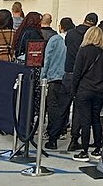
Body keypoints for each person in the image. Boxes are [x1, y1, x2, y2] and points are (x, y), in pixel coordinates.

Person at [70, 26, 103, 162]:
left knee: (85, 120)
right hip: (99, 89)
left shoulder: (83, 51)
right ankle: (98, 148)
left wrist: (73, 90)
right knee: (96, 119)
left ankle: (84, 150)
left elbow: (76, 73)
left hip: (84, 89)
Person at [42, 22, 69, 150]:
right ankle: (62, 130)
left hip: (54, 77)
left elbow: (47, 58)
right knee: (64, 107)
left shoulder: (54, 40)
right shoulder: (73, 41)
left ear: (60, 27)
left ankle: (52, 134)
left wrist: (43, 75)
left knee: (52, 106)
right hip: (67, 78)